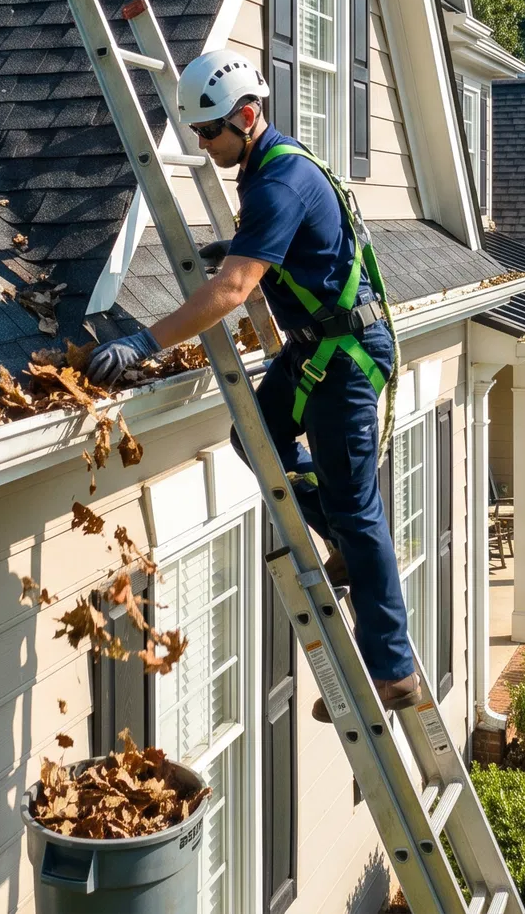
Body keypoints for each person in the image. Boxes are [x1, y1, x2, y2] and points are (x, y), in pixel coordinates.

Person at [86, 50, 418, 715]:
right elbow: (288, 250)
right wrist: (245, 247)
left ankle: (392, 670)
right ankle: (342, 542)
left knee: (358, 510)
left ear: (244, 117)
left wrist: (143, 342)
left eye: (210, 132)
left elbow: (235, 290)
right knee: (257, 436)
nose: (203, 145)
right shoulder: (274, 167)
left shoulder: (277, 183)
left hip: (343, 358)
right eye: (196, 133)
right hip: (315, 350)